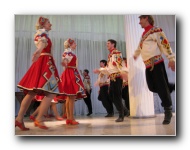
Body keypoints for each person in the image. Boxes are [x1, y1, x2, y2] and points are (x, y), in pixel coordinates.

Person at [15, 16, 63, 130]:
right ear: (43, 24)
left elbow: (42, 44)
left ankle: (19, 119)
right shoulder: (42, 34)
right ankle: (39, 118)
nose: (50, 24)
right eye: (48, 22)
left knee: (31, 92)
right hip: (46, 65)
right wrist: (38, 50)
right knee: (51, 92)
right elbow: (42, 43)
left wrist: (40, 51)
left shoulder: (40, 33)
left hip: (43, 63)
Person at [133, 15, 175, 124]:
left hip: (156, 63)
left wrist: (171, 58)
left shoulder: (156, 30)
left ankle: (168, 110)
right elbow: (139, 47)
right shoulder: (144, 35)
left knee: (161, 87)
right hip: (147, 65)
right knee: (152, 87)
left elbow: (164, 44)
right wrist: (136, 54)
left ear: (146, 18)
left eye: (140, 20)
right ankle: (170, 87)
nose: (139, 22)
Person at [93, 39, 128, 122]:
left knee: (117, 96)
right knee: (112, 96)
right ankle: (123, 111)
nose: (107, 45)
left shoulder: (116, 53)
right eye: (107, 43)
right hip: (112, 78)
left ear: (113, 44)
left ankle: (121, 114)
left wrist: (123, 72)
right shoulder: (110, 55)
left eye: (108, 43)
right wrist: (99, 70)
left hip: (117, 77)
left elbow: (120, 64)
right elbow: (109, 69)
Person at [56, 38, 86, 125]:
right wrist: (65, 62)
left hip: (70, 72)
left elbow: (65, 62)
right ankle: (71, 118)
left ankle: (69, 118)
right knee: (71, 97)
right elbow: (65, 61)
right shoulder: (68, 53)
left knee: (69, 97)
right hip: (71, 73)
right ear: (70, 44)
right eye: (74, 44)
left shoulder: (68, 52)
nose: (75, 45)